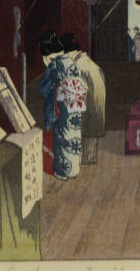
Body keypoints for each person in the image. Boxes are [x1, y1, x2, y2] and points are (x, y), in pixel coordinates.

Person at [38, 30, 87, 180]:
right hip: (75, 107)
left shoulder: (54, 66)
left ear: (47, 56)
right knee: (74, 137)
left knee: (61, 138)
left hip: (61, 108)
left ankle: (63, 172)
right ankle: (75, 168)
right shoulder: (71, 63)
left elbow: (44, 89)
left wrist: (48, 119)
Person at [60, 32, 106, 165]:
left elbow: (75, 99)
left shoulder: (77, 67)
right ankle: (89, 159)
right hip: (96, 112)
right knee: (90, 147)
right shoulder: (88, 62)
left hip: (86, 113)